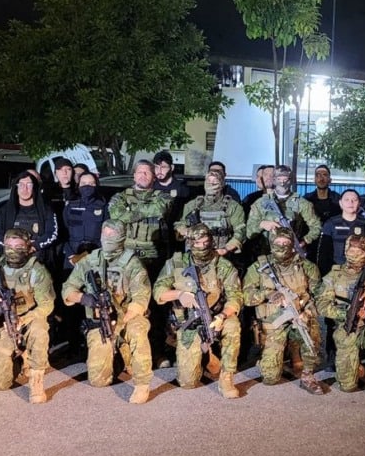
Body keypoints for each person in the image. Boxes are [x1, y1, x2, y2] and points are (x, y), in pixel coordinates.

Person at [61, 220, 153, 404]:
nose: (107, 239)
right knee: (98, 380)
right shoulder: (89, 260)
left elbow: (141, 298)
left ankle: (142, 384)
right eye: (105, 234)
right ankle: (121, 354)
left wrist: (119, 326)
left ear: (121, 237)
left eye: (112, 235)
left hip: (128, 317)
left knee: (138, 332)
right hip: (99, 320)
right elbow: (67, 289)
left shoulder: (132, 264)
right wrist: (84, 298)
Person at [155, 224, 244, 396]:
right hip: (187, 321)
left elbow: (236, 297)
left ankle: (226, 377)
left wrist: (222, 315)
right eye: (197, 243)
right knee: (187, 383)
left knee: (233, 325)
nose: (202, 247)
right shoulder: (176, 262)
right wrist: (179, 294)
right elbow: (158, 292)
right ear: (190, 243)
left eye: (205, 242)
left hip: (214, 317)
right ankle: (206, 356)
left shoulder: (223, 265)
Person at [0, 229, 56, 403]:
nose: (13, 250)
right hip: (0, 322)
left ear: (28, 247)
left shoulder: (37, 271)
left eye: (18, 246)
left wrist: (24, 319)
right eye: (8, 246)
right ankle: (19, 357)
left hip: (27, 320)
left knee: (39, 330)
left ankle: (36, 379)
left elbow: (47, 305)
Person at [244, 227, 327, 394]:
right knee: (270, 378)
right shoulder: (258, 267)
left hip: (300, 317)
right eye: (278, 242)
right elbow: (246, 296)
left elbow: (320, 296)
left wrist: (307, 313)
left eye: (286, 242)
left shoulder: (306, 266)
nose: (282, 246)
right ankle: (276, 356)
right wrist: (268, 294)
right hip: (274, 321)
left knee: (311, 334)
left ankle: (308, 375)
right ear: (271, 244)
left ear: (292, 244)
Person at [317, 234, 365, 402]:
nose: (355, 255)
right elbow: (321, 305)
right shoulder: (334, 275)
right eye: (352, 251)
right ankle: (355, 366)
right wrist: (345, 314)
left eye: (360, 251)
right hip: (347, 326)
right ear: (346, 251)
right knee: (347, 386)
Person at [107, 160, 171, 274]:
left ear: (154, 177)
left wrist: (130, 210)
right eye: (140, 172)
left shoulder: (164, 197)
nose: (143, 175)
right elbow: (116, 215)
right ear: (134, 176)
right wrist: (148, 210)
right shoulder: (120, 197)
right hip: (126, 254)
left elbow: (160, 209)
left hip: (154, 255)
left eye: (147, 172)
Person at [245, 165, 321, 260]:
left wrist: (304, 242)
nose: (282, 183)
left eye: (286, 179)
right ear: (274, 180)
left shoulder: (302, 203)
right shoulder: (261, 203)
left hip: (292, 255)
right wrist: (262, 224)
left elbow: (316, 227)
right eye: (279, 179)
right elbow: (249, 233)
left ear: (291, 180)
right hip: (267, 256)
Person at [0, 170, 60, 268]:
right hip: (10, 259)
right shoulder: (3, 210)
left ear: (35, 187)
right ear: (16, 187)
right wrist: (13, 247)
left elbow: (52, 234)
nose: (25, 189)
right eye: (21, 185)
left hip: (38, 260)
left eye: (29, 185)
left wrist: (33, 246)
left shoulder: (46, 210)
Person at [177, 170, 247, 260]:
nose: (211, 184)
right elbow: (180, 225)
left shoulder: (233, 206)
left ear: (222, 184)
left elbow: (241, 231)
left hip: (221, 255)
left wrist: (226, 249)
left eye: (215, 181)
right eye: (209, 181)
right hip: (194, 256)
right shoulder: (192, 205)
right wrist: (185, 231)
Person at [317, 188, 365, 273]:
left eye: (354, 200)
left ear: (359, 203)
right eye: (347, 200)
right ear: (340, 203)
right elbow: (323, 253)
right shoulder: (330, 223)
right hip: (336, 271)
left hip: (360, 271)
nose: (351, 202)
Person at [62, 172, 108, 271]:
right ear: (78, 185)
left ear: (96, 185)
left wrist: (99, 253)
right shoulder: (71, 205)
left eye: (91, 184)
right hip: (73, 255)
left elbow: (107, 234)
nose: (87, 187)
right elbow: (63, 232)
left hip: (96, 255)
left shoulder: (103, 206)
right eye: (83, 183)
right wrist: (70, 255)